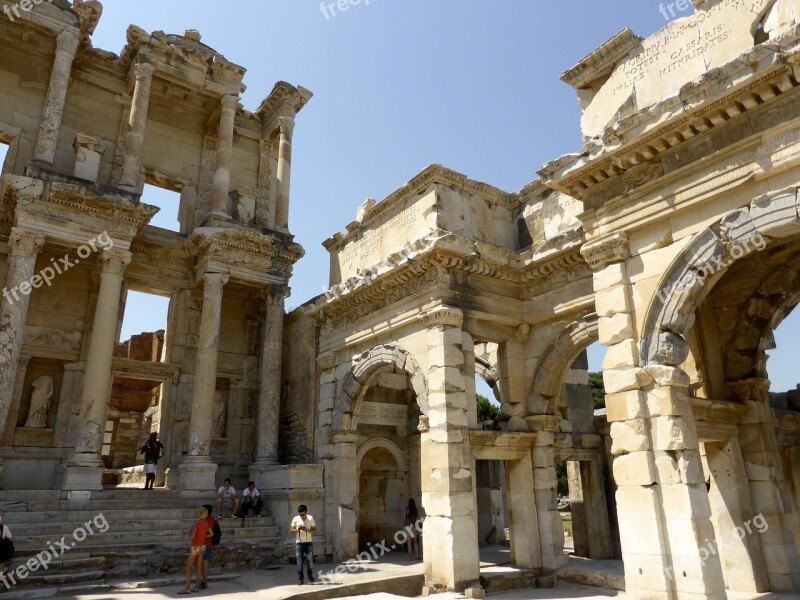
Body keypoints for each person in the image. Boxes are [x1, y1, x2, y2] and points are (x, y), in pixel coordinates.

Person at [179, 506, 211, 594]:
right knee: (199, 567)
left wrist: (190, 531)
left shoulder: (197, 523)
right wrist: (204, 536)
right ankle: (197, 587)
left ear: (200, 513)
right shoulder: (206, 523)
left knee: (189, 567)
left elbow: (192, 537)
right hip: (202, 546)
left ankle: (187, 588)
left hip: (196, 546)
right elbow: (211, 534)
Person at [290, 505, 316, 585]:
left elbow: (314, 530)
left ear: (306, 512)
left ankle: (309, 574)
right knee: (299, 562)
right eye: (300, 514)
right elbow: (291, 530)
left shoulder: (310, 518)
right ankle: (300, 579)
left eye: (303, 514)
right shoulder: (295, 519)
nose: (301, 516)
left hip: (308, 542)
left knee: (310, 560)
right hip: (299, 543)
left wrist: (307, 529)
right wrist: (297, 529)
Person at [199, 504, 215, 590]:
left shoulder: (207, 521)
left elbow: (207, 533)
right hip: (205, 544)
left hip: (205, 544)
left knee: (203, 562)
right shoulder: (210, 520)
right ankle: (202, 581)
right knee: (202, 563)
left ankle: (203, 582)